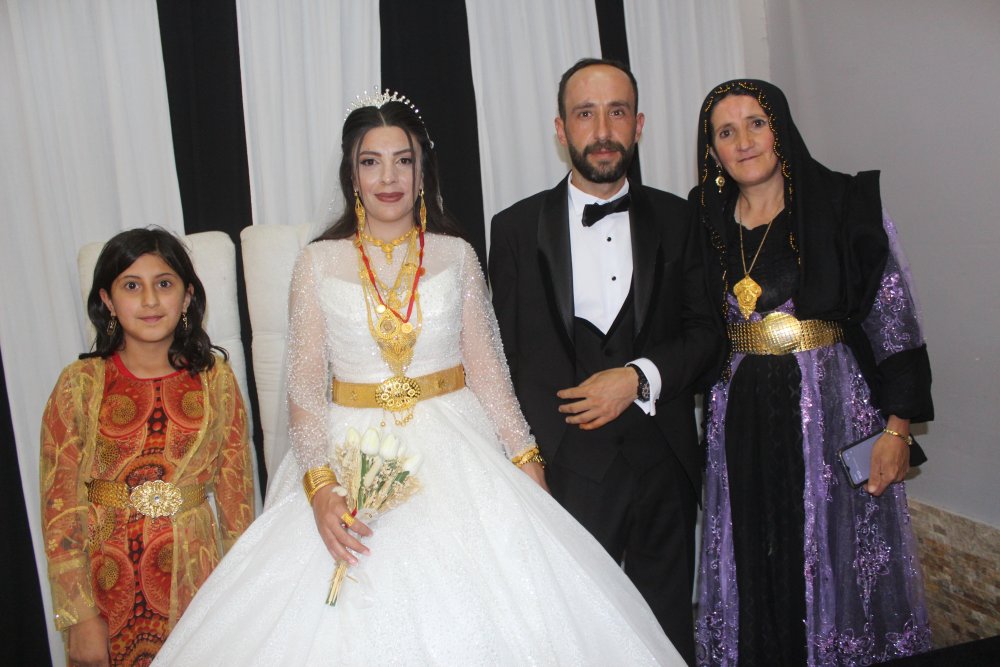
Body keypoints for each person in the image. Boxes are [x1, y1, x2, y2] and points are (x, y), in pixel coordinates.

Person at [151, 92, 685, 665]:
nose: (388, 178)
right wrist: (322, 489)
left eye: (403, 161)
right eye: (371, 162)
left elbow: (490, 376)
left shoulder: (457, 256)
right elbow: (304, 391)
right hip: (350, 450)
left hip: (459, 444)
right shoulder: (317, 263)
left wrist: (528, 463)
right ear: (351, 174)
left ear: (422, 171)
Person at [690, 79, 933, 666]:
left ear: (782, 129)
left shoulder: (843, 204)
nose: (744, 142)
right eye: (726, 132)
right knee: (754, 550)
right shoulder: (705, 220)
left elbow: (893, 320)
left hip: (831, 413)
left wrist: (898, 430)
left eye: (756, 123)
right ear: (712, 150)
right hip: (741, 419)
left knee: (833, 553)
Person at [488, 58, 720, 665]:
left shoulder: (682, 219)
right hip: (562, 471)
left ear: (638, 125)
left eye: (617, 112)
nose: (602, 130)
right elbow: (501, 358)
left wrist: (638, 377)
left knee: (666, 636)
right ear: (560, 129)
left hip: (663, 463)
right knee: (569, 638)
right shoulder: (512, 229)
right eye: (585, 114)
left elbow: (709, 336)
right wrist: (527, 461)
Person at [40, 228, 255, 667]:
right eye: (132, 286)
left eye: (164, 283)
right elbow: (60, 512)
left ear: (187, 295)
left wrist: (242, 600)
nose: (151, 300)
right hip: (108, 588)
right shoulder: (79, 386)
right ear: (107, 300)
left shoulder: (216, 380)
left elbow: (237, 503)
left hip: (199, 585)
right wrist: (79, 616)